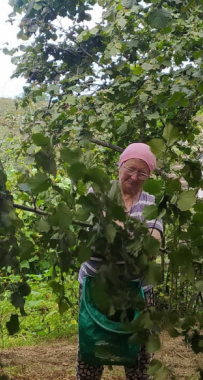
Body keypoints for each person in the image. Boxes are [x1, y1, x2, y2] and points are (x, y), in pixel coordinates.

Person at [76, 143, 163, 380]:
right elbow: (93, 240)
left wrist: (117, 232)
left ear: (149, 176)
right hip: (97, 287)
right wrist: (131, 239)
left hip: (137, 289)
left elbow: (153, 243)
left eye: (142, 173)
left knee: (138, 356)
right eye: (131, 169)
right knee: (92, 347)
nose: (134, 177)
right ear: (120, 165)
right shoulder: (99, 194)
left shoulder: (151, 202)